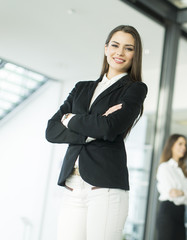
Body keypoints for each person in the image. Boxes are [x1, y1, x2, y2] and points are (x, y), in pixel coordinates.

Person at [45, 25, 147, 240]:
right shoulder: (81, 88)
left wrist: (71, 120)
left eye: (128, 48)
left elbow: (111, 127)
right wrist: (96, 125)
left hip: (105, 188)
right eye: (115, 45)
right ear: (105, 48)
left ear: (135, 55)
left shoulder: (134, 89)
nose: (119, 53)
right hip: (72, 187)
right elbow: (52, 131)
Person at [156, 134, 187, 240]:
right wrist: (186, 192)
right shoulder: (164, 167)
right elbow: (172, 194)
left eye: (185, 145)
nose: (184, 147)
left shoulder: (184, 171)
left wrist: (182, 192)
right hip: (167, 213)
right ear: (171, 146)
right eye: (180, 144)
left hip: (180, 214)